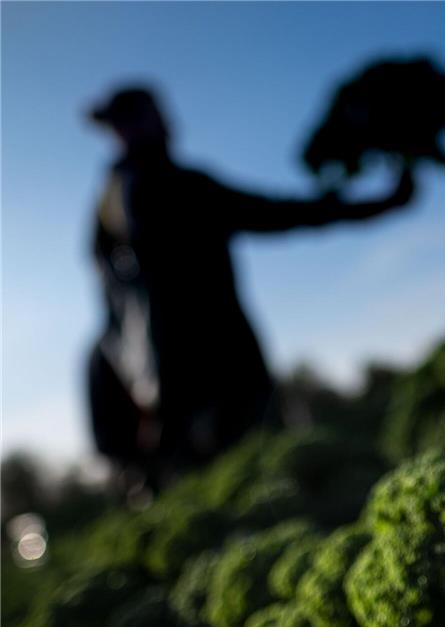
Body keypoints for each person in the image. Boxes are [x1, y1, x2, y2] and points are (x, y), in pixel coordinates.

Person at [86, 86, 415, 489]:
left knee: (248, 487)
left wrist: (377, 204)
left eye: (142, 116)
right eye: (127, 122)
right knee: (268, 483)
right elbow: (279, 213)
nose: (140, 128)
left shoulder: (116, 201)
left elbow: (278, 212)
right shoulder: (158, 190)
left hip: (185, 385)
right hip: (208, 381)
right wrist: (378, 203)